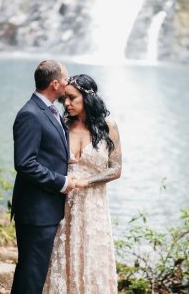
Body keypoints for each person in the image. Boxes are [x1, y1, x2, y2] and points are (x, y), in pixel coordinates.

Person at [43, 74, 122, 293]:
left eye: (72, 98)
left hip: (94, 206)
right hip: (63, 204)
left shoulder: (108, 126)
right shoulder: (62, 125)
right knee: (63, 256)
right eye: (64, 99)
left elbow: (115, 169)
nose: (66, 103)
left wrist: (85, 182)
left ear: (87, 98)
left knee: (92, 257)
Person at [10, 60, 76, 294]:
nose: (68, 85)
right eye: (66, 80)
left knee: (32, 271)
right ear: (55, 83)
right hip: (36, 210)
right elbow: (25, 163)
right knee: (32, 273)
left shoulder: (50, 111)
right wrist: (61, 182)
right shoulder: (30, 114)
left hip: (45, 209)